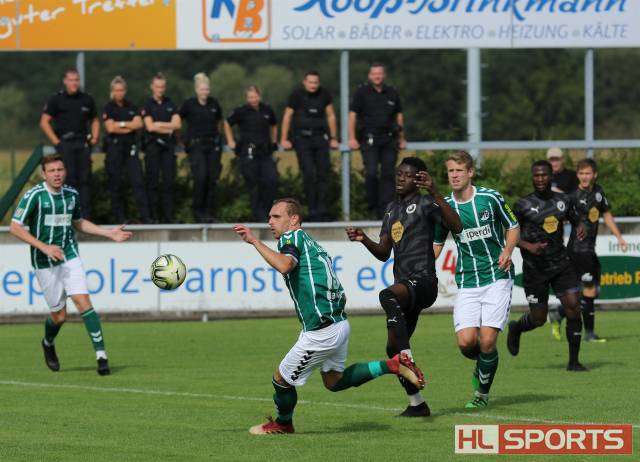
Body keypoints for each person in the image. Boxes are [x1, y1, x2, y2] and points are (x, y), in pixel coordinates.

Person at [234, 198, 424, 435]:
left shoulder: (291, 238)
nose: (270, 221)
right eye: (270, 217)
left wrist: (254, 241)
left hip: (322, 330)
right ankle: (393, 364)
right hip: (338, 323)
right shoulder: (310, 243)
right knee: (334, 381)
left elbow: (285, 265)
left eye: (276, 216)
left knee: (281, 380)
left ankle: (283, 424)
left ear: (293, 219)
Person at [346, 157, 462, 417]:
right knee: (392, 348)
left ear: (418, 179)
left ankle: (407, 357)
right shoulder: (391, 210)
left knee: (387, 295)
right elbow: (383, 253)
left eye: (407, 175)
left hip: (424, 281)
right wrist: (364, 239)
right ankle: (417, 404)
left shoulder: (426, 203)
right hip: (407, 286)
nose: (401, 178)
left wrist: (435, 191)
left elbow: (456, 226)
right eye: (399, 174)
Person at [9, 154, 132, 375]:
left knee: (83, 301)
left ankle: (102, 357)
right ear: (44, 174)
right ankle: (47, 343)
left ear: (64, 171)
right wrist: (44, 247)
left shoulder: (72, 194)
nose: (57, 174)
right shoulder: (34, 196)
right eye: (52, 171)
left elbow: (78, 222)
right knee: (60, 316)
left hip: (69, 255)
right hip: (44, 261)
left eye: (60, 170)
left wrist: (108, 233)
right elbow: (15, 227)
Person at [431, 151, 520, 409]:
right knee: (466, 343)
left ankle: (481, 394)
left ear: (470, 172)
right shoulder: (445, 207)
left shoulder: (490, 198)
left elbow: (513, 226)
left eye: (459, 170)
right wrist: (420, 265)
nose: (454, 175)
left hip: (497, 276)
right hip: (468, 281)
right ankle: (483, 364)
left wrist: (507, 250)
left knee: (488, 340)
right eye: (451, 171)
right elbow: (437, 243)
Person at [508, 160, 587, 371]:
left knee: (574, 307)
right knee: (539, 318)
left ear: (551, 176)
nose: (540, 179)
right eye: (537, 175)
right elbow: (508, 234)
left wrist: (580, 226)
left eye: (544, 175)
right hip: (535, 269)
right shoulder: (522, 205)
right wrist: (529, 246)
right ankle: (516, 328)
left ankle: (574, 362)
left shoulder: (563, 200)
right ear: (532, 177)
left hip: (561, 264)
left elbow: (576, 218)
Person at [549, 158, 628, 342]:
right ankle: (589, 334)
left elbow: (606, 214)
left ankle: (559, 313)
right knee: (590, 290)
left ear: (595, 175)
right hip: (578, 250)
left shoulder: (598, 192)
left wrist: (619, 237)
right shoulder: (572, 196)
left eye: (588, 173)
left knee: (588, 291)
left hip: (589, 249)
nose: (584, 177)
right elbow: (558, 219)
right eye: (581, 173)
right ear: (577, 175)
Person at [348, 63, 406, 218]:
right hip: (369, 139)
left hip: (389, 139)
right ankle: (372, 208)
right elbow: (352, 115)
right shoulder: (361, 92)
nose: (377, 76)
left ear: (384, 75)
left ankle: (387, 209)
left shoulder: (392, 92)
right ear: (370, 76)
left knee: (388, 174)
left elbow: (399, 116)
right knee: (371, 173)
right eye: (374, 74)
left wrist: (402, 138)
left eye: (379, 73)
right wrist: (352, 138)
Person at [40, 68, 99, 219]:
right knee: (68, 179)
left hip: (83, 144)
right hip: (65, 144)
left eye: (76, 80)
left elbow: (95, 120)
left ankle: (85, 217)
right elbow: (44, 122)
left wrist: (94, 138)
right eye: (71, 80)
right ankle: (69, 216)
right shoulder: (56, 99)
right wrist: (57, 142)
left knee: (85, 180)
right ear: (65, 81)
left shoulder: (87, 99)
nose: (74, 83)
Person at [280, 71, 339, 221]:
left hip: (320, 138)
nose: (313, 85)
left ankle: (322, 210)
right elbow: (287, 116)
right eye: (310, 82)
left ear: (319, 83)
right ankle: (311, 210)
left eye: (315, 82)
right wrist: (284, 138)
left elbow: (331, 115)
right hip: (302, 139)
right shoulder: (296, 95)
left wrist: (333, 138)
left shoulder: (324, 94)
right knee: (308, 174)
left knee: (323, 174)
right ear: (304, 82)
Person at [224, 86, 278, 222]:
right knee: (254, 184)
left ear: (259, 96)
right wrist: (230, 141)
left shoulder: (267, 110)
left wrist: (274, 141)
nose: (253, 100)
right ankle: (258, 216)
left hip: (265, 151)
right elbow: (227, 123)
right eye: (250, 97)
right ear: (247, 98)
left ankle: (268, 212)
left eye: (255, 97)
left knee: (271, 180)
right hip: (248, 151)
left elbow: (273, 124)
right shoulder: (241, 111)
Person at [102, 76, 151, 224]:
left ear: (125, 90)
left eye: (122, 90)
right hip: (115, 149)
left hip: (130, 148)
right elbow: (110, 128)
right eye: (117, 90)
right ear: (112, 91)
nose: (119, 93)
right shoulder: (109, 107)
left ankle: (145, 217)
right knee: (116, 183)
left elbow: (139, 124)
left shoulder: (132, 106)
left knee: (138, 182)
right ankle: (120, 218)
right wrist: (128, 125)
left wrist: (120, 125)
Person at [179, 73, 224, 223]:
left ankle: (209, 212)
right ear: (197, 90)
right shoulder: (189, 104)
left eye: (207, 89)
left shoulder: (214, 103)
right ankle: (198, 211)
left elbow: (220, 122)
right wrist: (181, 140)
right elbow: (177, 120)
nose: (205, 92)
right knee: (201, 177)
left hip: (212, 145)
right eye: (202, 89)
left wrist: (219, 138)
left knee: (212, 178)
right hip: (196, 145)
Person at [141, 73, 181, 223]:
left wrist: (160, 124)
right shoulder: (147, 105)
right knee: (152, 182)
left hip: (168, 147)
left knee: (169, 182)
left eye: (162, 87)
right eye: (157, 87)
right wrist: (168, 127)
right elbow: (150, 127)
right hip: (152, 147)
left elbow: (178, 124)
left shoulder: (170, 103)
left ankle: (168, 217)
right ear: (152, 87)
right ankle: (153, 217)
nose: (160, 89)